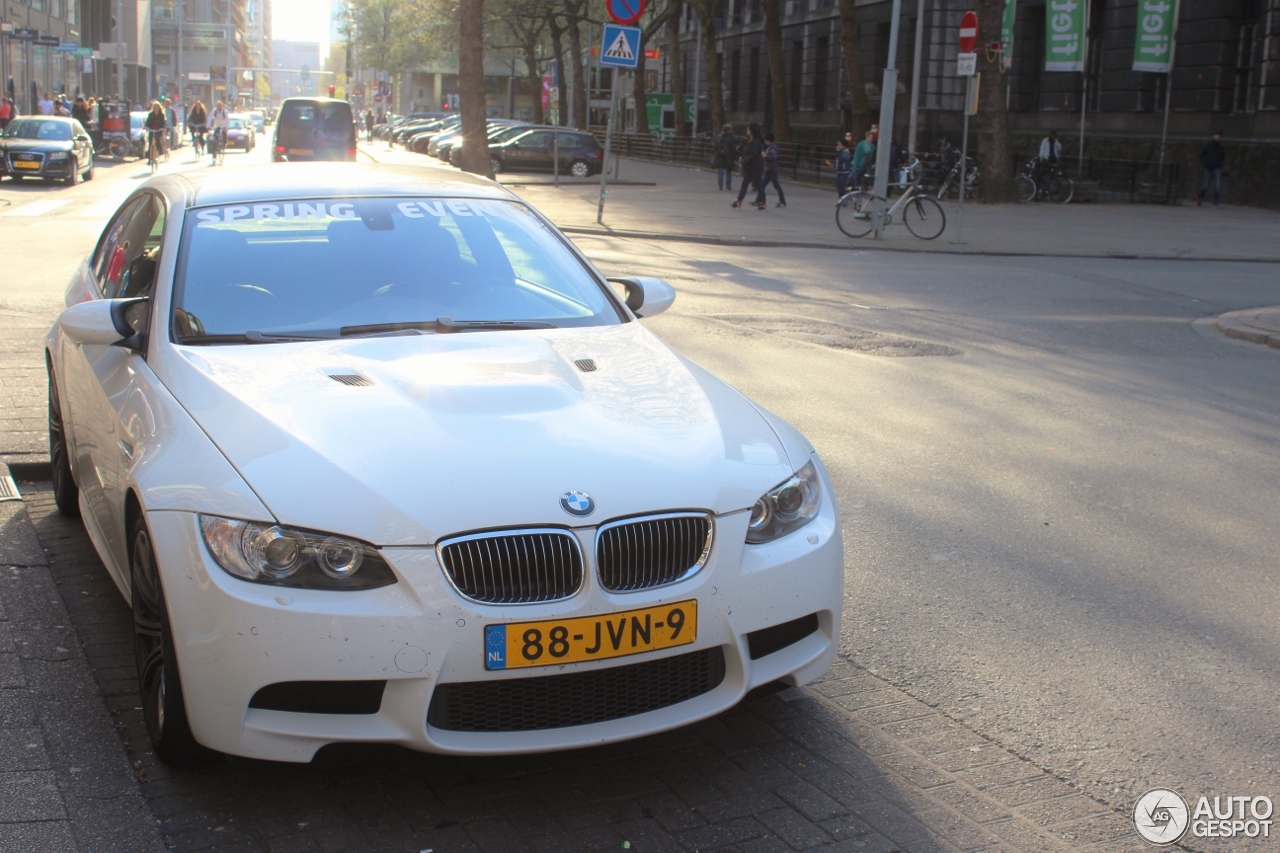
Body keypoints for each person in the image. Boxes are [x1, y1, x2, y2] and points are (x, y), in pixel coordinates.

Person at [731, 123, 766, 210]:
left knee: (758, 185)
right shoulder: (750, 140)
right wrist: (741, 156)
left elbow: (754, 154)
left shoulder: (757, 141)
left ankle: (762, 202)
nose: (747, 130)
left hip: (756, 166)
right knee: (745, 184)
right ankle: (739, 200)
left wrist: (744, 161)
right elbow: (746, 151)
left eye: (748, 129)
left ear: (752, 130)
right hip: (749, 166)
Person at [1198, 130, 1225, 207]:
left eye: (1219, 135)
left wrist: (1219, 164)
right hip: (1208, 167)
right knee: (1205, 185)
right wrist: (1206, 162)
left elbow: (1223, 157)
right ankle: (1200, 197)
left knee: (1217, 185)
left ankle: (1215, 201)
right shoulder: (1208, 145)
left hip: (1216, 167)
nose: (1218, 137)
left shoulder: (1220, 147)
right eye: (1216, 135)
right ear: (1214, 136)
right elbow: (1201, 155)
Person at [761, 133, 786, 208]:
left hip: (772, 170)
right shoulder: (771, 147)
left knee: (776, 186)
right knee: (762, 185)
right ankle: (759, 200)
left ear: (768, 140)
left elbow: (773, 157)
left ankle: (782, 201)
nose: (764, 142)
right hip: (769, 169)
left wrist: (765, 156)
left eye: (765, 140)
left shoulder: (772, 148)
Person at [712, 123, 737, 191]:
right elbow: (733, 148)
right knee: (728, 171)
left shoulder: (719, 137)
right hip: (728, 156)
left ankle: (720, 186)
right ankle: (728, 185)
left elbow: (715, 147)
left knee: (720, 171)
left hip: (720, 156)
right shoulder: (731, 137)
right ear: (729, 130)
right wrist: (735, 157)